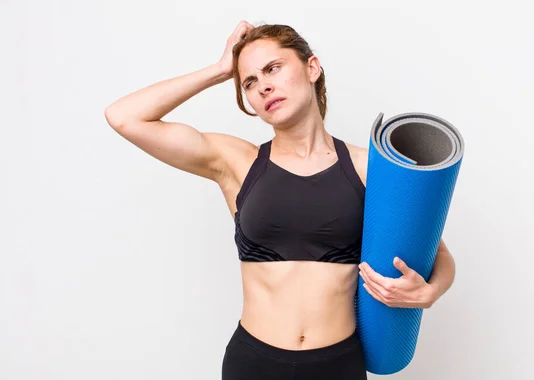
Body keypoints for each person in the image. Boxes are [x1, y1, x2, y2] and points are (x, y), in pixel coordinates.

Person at [104, 20, 456, 380]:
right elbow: (124, 117)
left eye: (273, 68)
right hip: (253, 364)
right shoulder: (237, 162)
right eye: (250, 83)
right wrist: (219, 70)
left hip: (338, 365)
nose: (264, 86)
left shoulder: (370, 168)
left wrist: (428, 293)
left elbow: (438, 253)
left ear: (312, 67)